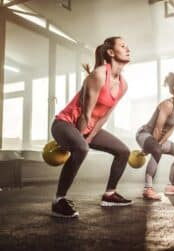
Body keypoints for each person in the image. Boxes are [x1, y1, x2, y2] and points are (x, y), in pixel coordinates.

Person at [51, 36, 133, 218]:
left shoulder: (123, 85)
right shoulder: (98, 75)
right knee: (81, 148)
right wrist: (80, 142)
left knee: (123, 152)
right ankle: (59, 200)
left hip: (88, 127)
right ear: (111, 52)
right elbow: (85, 115)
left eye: (127, 46)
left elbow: (105, 116)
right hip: (65, 123)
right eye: (123, 46)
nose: (128, 49)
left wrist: (88, 138)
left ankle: (110, 194)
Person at [136, 72, 174, 200]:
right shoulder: (167, 104)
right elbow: (158, 128)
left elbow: (170, 130)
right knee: (157, 149)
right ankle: (148, 189)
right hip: (144, 134)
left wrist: (158, 144)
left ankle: (171, 186)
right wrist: (152, 148)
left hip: (158, 139)